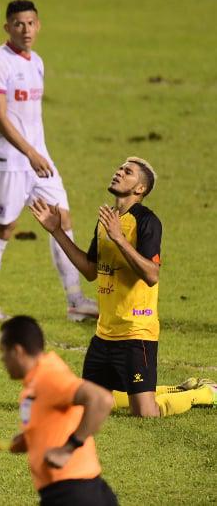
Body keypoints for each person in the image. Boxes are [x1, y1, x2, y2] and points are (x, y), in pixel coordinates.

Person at [30, 158, 216, 416]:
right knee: (88, 404)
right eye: (119, 168)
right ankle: (175, 388)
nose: (118, 172)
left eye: (127, 172)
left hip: (136, 333)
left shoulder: (147, 221)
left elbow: (152, 275)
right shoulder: (108, 220)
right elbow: (90, 271)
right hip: (104, 333)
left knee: (145, 412)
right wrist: (56, 231)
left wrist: (118, 238)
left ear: (140, 189)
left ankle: (204, 393)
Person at [0, 0, 97, 322]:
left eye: (30, 23)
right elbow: (0, 118)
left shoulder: (37, 62)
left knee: (62, 218)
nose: (25, 30)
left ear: (38, 26)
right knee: (4, 227)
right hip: (10, 160)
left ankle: (75, 301)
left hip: (39, 159)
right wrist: (30, 152)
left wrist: (36, 152)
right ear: (7, 27)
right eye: (18, 24)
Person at [0, 315, 117, 505]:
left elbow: (101, 399)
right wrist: (28, 439)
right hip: (72, 492)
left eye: (3, 351)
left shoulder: (49, 377)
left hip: (74, 494)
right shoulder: (35, 381)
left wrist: (69, 448)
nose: (1, 359)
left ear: (17, 351)